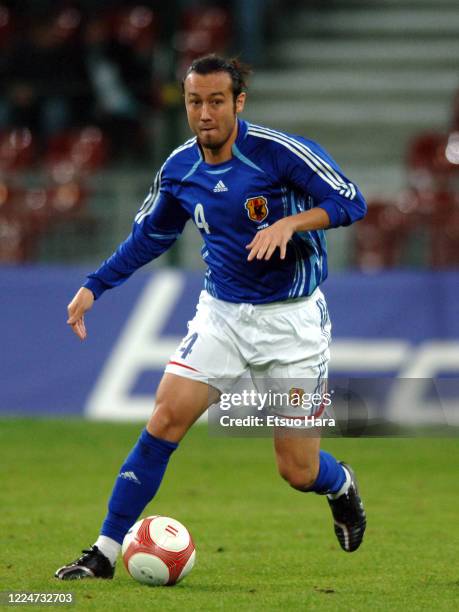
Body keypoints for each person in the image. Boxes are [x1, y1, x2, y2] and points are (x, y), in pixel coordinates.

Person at [55, 54, 367, 580]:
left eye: (216, 101)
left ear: (238, 102)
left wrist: (290, 223)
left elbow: (350, 201)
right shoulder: (180, 168)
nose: (204, 113)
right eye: (194, 101)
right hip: (221, 315)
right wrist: (95, 285)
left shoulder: (277, 152)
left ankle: (340, 485)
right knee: (164, 419)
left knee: (297, 470)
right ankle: (105, 551)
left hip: (293, 325)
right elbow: (149, 238)